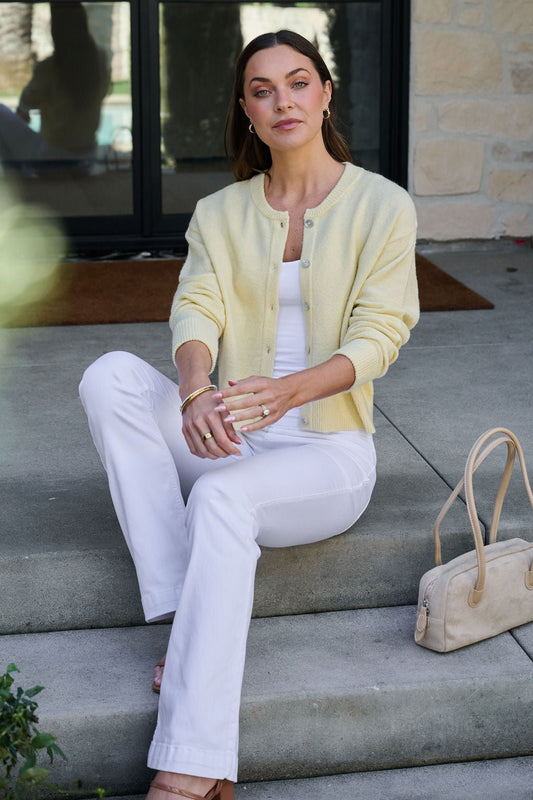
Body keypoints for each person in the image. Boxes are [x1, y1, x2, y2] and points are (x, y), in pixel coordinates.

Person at [79, 29, 419, 800]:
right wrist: (198, 390)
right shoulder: (221, 211)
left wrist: (289, 393)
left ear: (325, 93)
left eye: (297, 83)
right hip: (234, 429)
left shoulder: (381, 206)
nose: (282, 101)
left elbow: (380, 335)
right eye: (262, 90)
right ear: (247, 109)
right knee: (110, 378)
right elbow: (195, 307)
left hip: (325, 452)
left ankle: (192, 766)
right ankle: (179, 608)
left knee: (220, 496)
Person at [0, 1, 109, 174]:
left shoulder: (50, 67)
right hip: (88, 158)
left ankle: (18, 179)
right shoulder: (101, 60)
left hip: (53, 160)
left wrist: (26, 110)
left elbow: (24, 106)